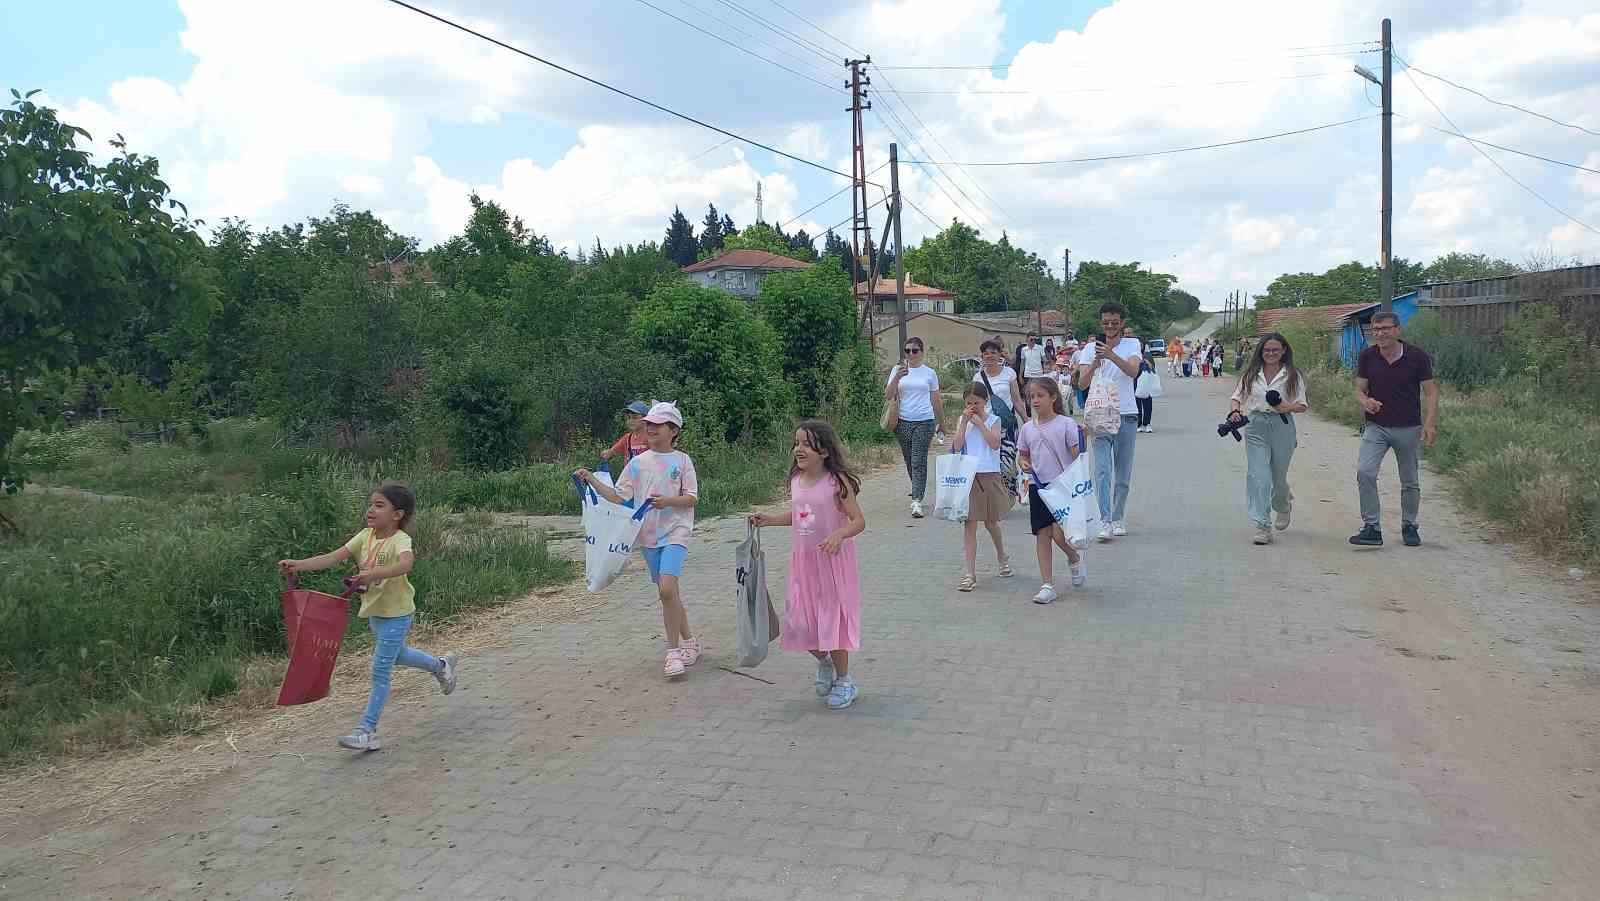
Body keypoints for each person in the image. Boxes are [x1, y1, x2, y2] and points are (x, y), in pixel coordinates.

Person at [278, 483, 459, 752]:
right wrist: (299, 564)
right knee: (398, 655)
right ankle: (440, 666)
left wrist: (374, 574)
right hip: (376, 612)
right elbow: (331, 558)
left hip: (397, 613)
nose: (371, 510)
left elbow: (406, 563)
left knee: (380, 669)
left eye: (379, 505)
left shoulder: (400, 540)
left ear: (397, 515)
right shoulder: (365, 536)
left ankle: (367, 731)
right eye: (371, 504)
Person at [576, 401, 701, 677]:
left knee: (667, 590)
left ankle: (672, 653)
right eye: (649, 424)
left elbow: (692, 498)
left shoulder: (682, 461)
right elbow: (618, 496)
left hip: (677, 531)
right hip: (648, 536)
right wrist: (592, 480)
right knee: (669, 593)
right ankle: (690, 641)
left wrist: (668, 501)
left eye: (658, 425)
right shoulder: (637, 464)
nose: (651, 429)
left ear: (673, 430)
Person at [750, 420, 866, 710]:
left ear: (824, 451)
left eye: (806, 444)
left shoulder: (837, 483)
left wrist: (839, 534)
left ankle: (845, 681)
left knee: (832, 623)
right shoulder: (796, 480)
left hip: (832, 564)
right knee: (800, 622)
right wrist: (770, 520)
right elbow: (802, 515)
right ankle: (824, 662)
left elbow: (858, 521)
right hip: (804, 564)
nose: (798, 449)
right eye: (796, 443)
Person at [1351, 312, 1438, 548]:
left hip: (1408, 427)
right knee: (1365, 472)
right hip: (1376, 426)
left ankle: (1409, 525)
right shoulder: (1368, 356)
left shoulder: (1417, 356)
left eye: (1386, 328)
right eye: (1376, 329)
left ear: (1398, 330)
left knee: (1409, 480)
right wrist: (1365, 401)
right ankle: (1372, 528)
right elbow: (1359, 389)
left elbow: (1431, 392)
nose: (1380, 333)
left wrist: (1430, 423)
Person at [1227, 333, 1308, 545]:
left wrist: (1285, 406)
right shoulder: (1251, 374)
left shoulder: (1293, 375)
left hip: (1282, 425)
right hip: (1256, 426)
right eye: (1266, 350)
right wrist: (1235, 411)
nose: (1270, 353)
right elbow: (1236, 397)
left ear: (1284, 351)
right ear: (1260, 352)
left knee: (1278, 477)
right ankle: (1263, 525)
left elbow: (1302, 405)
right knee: (1259, 476)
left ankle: (1283, 504)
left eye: (1275, 350)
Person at [1074, 302, 1144, 541]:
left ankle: (1117, 517)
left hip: (1126, 413)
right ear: (1100, 323)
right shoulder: (1089, 349)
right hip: (1099, 414)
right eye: (1106, 323)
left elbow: (1133, 372)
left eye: (1115, 322)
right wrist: (1095, 362)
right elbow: (1081, 383)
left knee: (1123, 471)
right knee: (1103, 470)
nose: (1110, 326)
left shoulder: (1132, 344)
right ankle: (1104, 520)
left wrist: (1111, 355)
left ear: (1122, 323)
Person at [1016, 378, 1088, 604]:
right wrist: (1023, 463)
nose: (1035, 400)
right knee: (1042, 534)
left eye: (1040, 395)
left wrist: (1083, 439)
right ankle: (1047, 584)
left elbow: (1077, 456)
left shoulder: (1066, 424)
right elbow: (1023, 455)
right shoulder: (1027, 428)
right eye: (1032, 397)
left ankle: (1074, 557)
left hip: (1063, 487)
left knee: (1059, 534)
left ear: (1053, 397)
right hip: (1039, 487)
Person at [952, 383, 1014, 592]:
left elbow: (995, 443)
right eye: (968, 403)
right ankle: (969, 573)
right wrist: (964, 423)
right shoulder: (962, 420)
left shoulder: (994, 420)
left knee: (990, 522)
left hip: (989, 475)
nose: (972, 407)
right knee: (969, 524)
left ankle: (1002, 555)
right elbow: (957, 446)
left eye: (976, 403)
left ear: (985, 401)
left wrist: (979, 423)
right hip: (969, 476)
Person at [885, 337, 942, 518]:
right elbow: (888, 395)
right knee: (910, 460)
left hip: (925, 420)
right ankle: (917, 488)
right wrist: (897, 377)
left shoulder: (929, 373)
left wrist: (941, 422)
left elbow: (936, 399)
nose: (911, 354)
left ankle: (917, 499)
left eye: (915, 350)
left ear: (921, 352)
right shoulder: (897, 370)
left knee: (918, 460)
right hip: (902, 421)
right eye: (907, 350)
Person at [973, 338, 1024, 503]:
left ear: (999, 354)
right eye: (985, 353)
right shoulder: (977, 377)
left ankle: (1009, 496)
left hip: (1006, 425)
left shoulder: (1009, 373)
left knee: (1007, 461)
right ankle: (994, 500)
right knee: (989, 462)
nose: (989, 356)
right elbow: (973, 402)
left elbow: (1016, 400)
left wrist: (1027, 420)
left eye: (993, 353)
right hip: (986, 425)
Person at [601, 400, 651, 464]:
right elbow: (613, 451)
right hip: (630, 470)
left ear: (645, 419)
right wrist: (607, 453)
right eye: (628, 418)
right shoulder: (627, 438)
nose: (631, 421)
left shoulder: (650, 437)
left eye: (635, 417)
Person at [1134, 353, 1156, 434]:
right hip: (1136, 385)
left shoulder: (1147, 356)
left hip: (1147, 385)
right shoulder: (1134, 356)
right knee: (1137, 405)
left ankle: (1147, 423)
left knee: (1147, 405)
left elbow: (1153, 371)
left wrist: (1148, 363)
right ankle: (1139, 424)